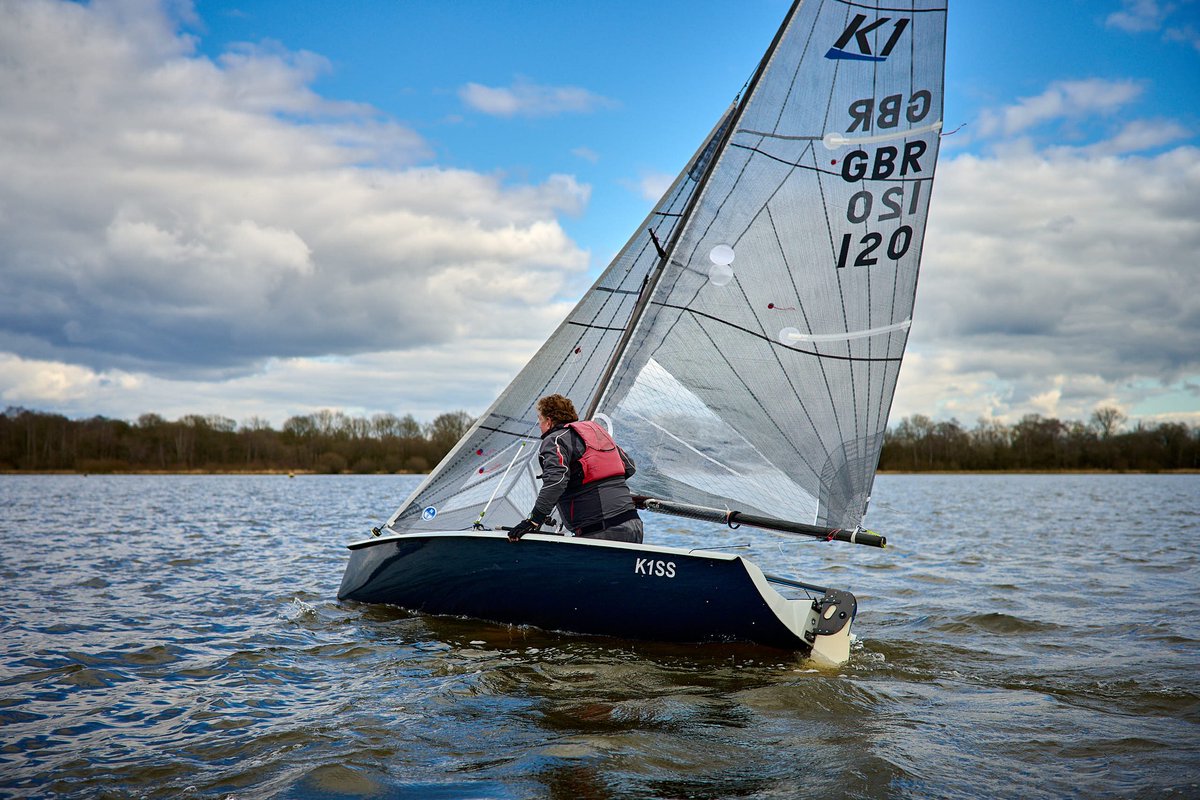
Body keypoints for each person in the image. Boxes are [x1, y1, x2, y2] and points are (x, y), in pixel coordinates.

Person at [506, 394, 643, 544]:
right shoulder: (596, 431)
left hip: (601, 531)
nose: (539, 425)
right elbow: (629, 467)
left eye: (540, 419)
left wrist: (533, 520)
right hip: (633, 524)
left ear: (549, 421)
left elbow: (556, 481)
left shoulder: (554, 440)